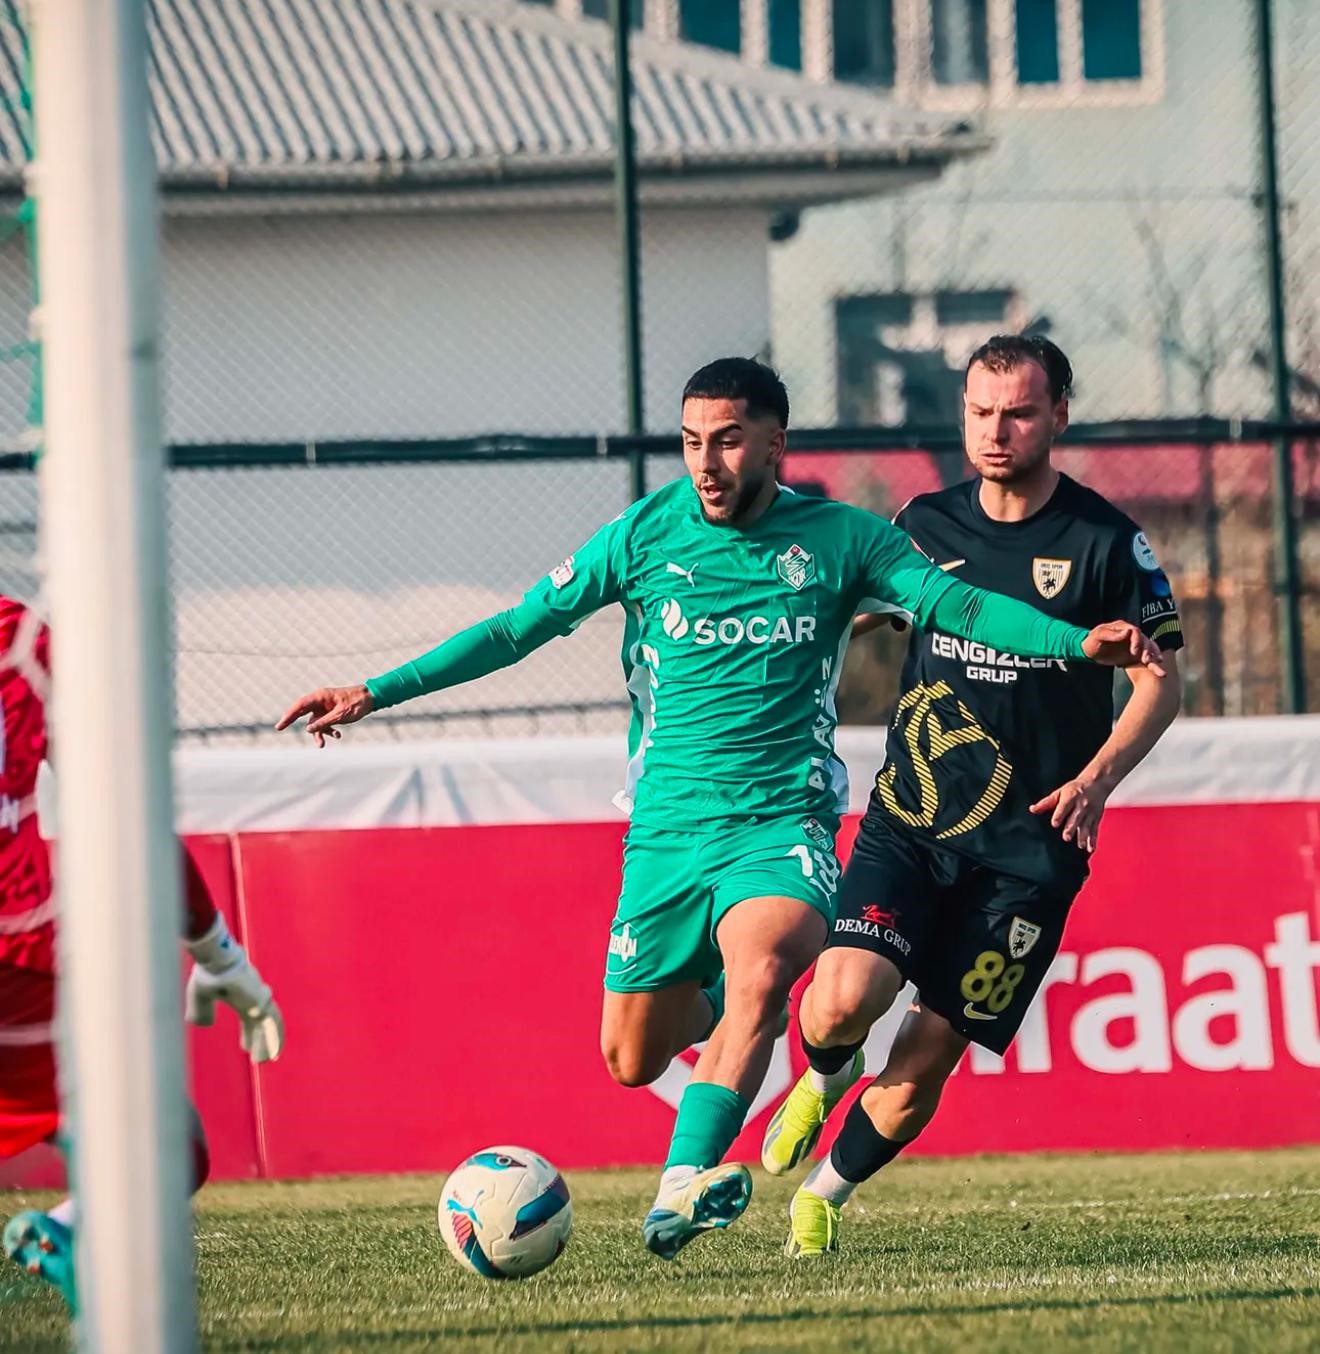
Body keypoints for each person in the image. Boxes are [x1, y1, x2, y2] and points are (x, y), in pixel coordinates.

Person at [277, 356, 1164, 1261]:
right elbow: (515, 630)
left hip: (783, 823)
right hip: (664, 832)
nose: (706, 461)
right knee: (631, 1060)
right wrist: (374, 692)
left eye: (730, 440)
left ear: (776, 445)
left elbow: (958, 604)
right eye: (694, 440)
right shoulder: (643, 535)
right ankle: (723, 1017)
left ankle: (679, 1191)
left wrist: (1073, 641)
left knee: (770, 969)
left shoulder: (844, 539)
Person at [761, 335, 1184, 1257]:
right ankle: (824, 1076)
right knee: (838, 1003)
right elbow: (845, 614)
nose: (998, 430)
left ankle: (825, 1196)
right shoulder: (923, 522)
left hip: (1032, 854)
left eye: (1021, 412)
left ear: (1059, 416)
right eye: (982, 412)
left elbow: (1163, 683)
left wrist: (1096, 780)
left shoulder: (1108, 543)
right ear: (963, 414)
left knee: (924, 1061)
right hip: (913, 817)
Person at [0, 596, 284, 1311]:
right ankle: (66, 1232)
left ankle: (62, 1236)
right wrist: (220, 956)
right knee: (163, 1144)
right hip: (14, 966)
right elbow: (127, 817)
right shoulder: (19, 636)